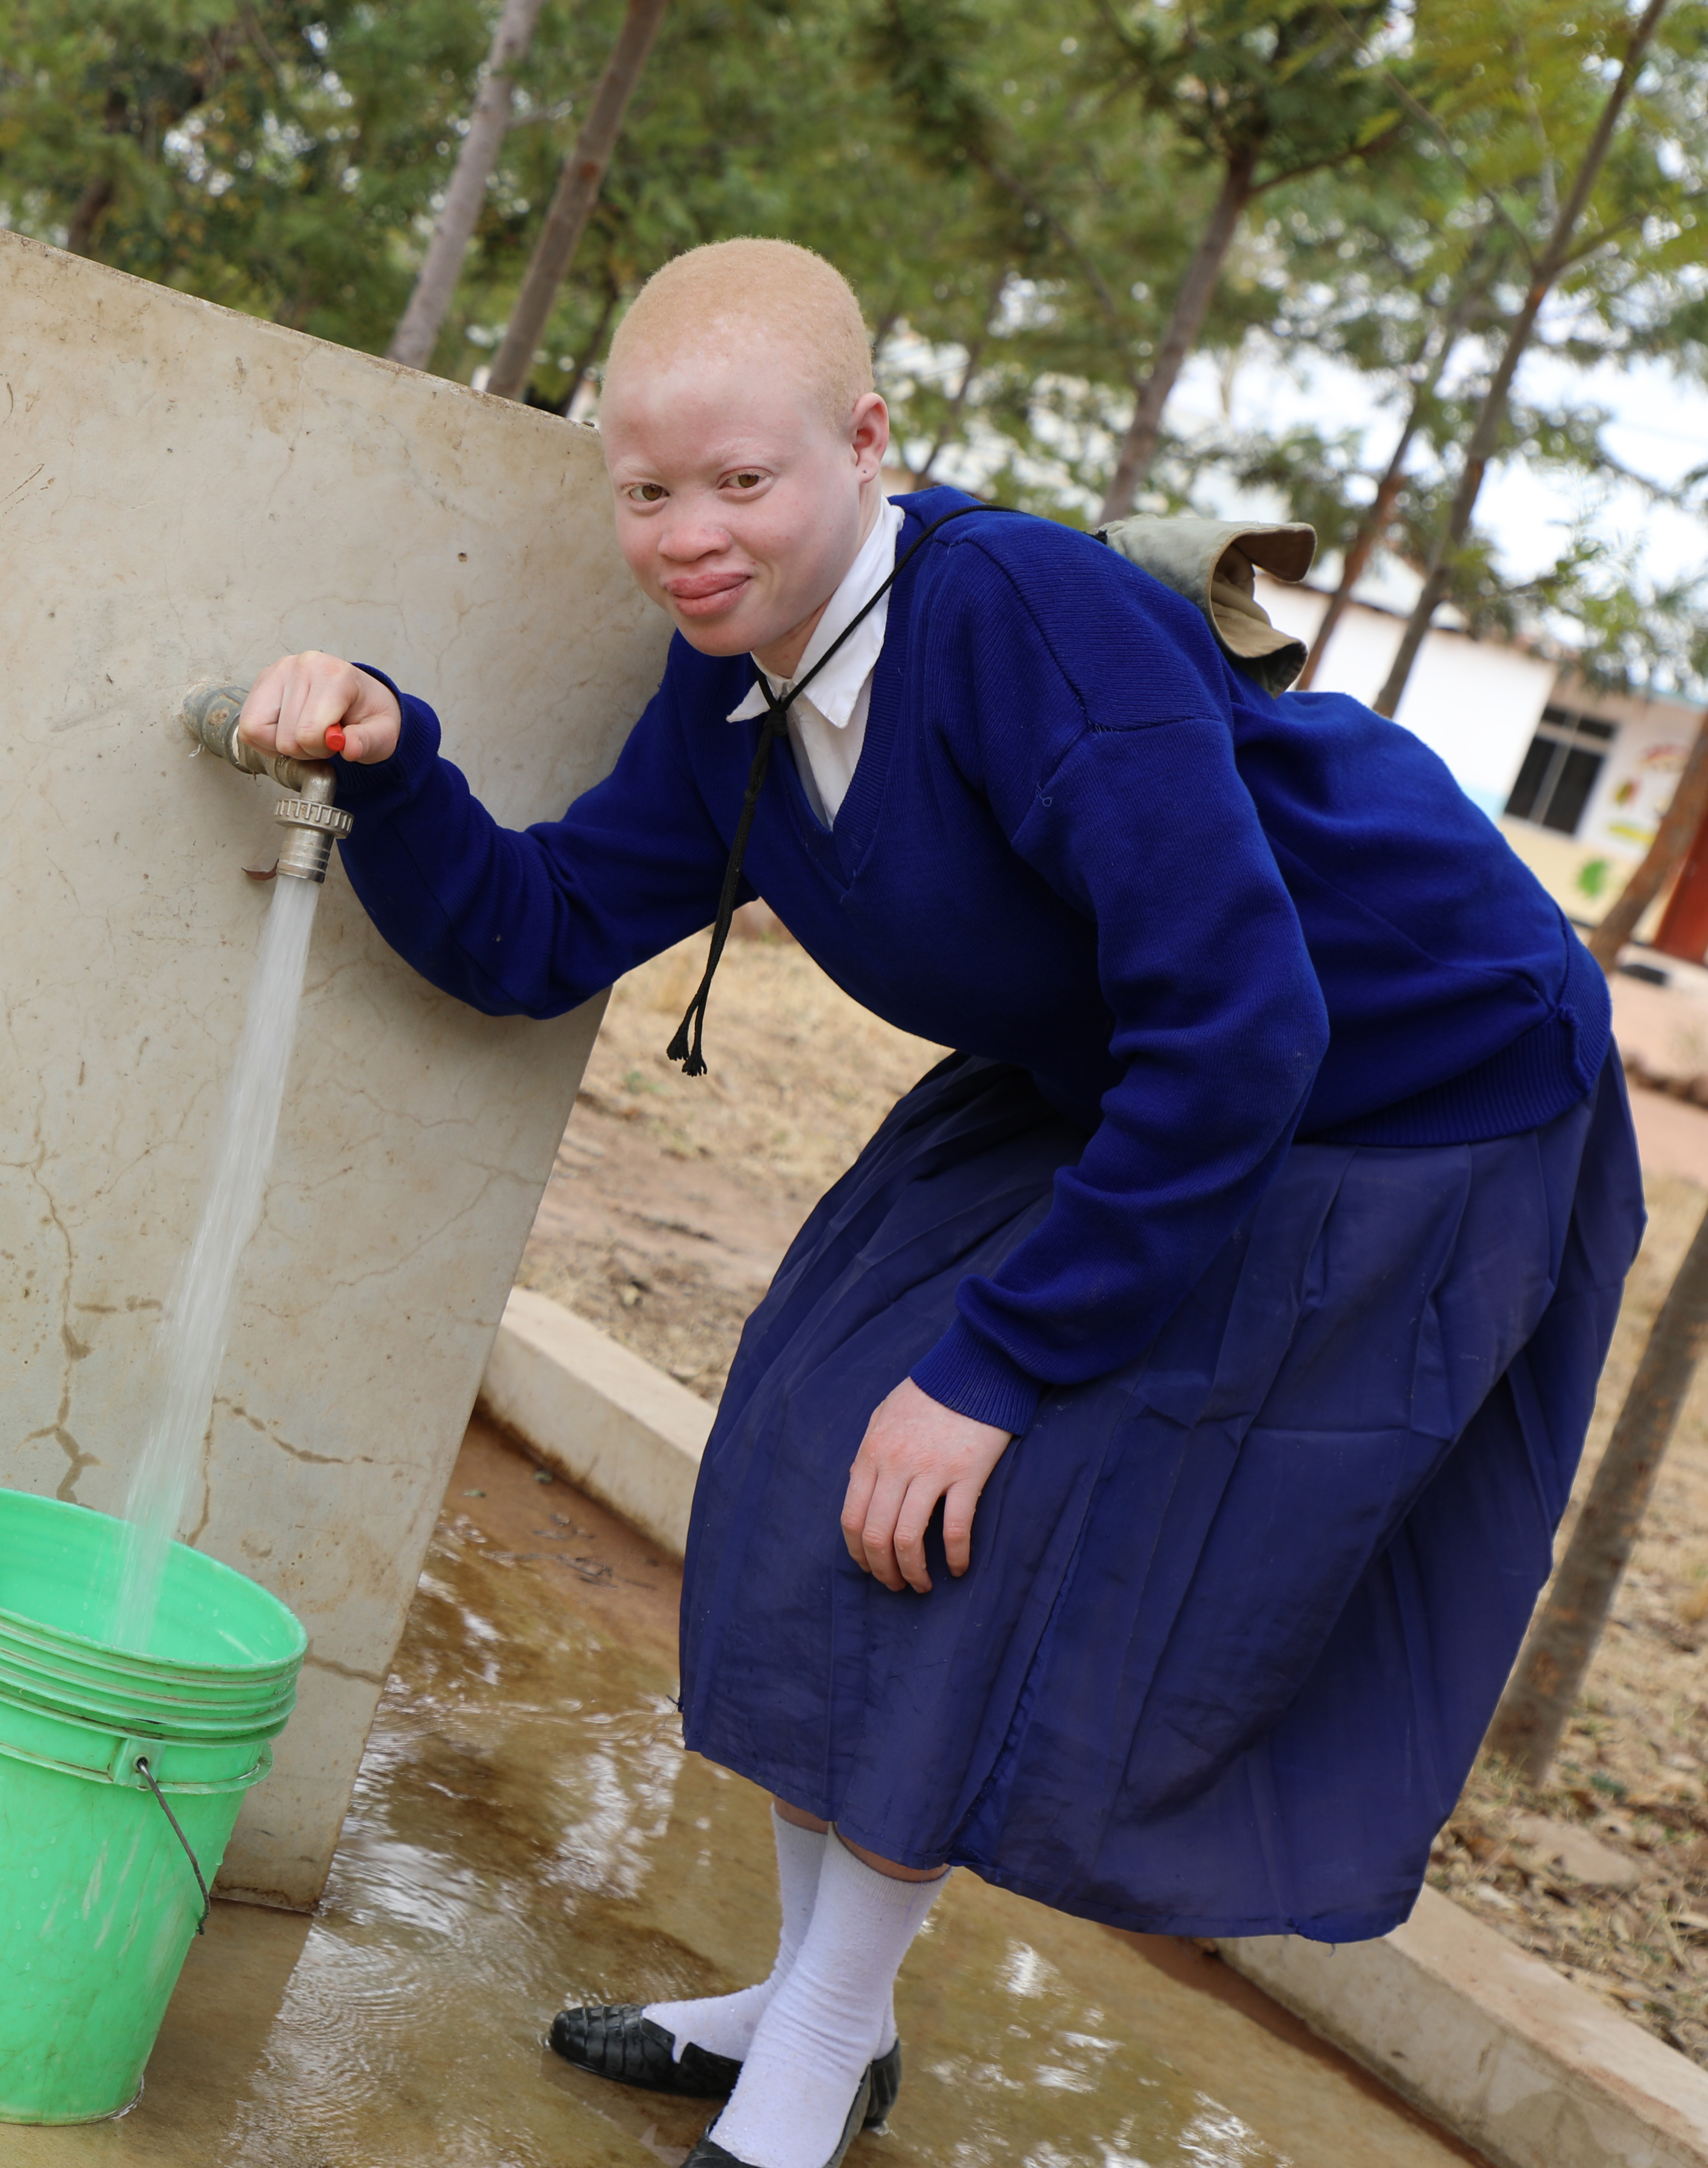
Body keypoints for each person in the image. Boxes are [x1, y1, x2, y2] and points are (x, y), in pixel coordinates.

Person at [239, 238, 1641, 2168]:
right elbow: (542, 929)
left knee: (980, 1498)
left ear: (868, 443)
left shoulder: (1019, 618)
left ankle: (809, 2063)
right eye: (651, 490)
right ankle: (816, 2008)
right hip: (1132, 1065)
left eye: (747, 481)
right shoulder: (739, 678)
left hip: (1399, 1075)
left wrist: (997, 1365)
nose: (691, 533)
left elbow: (1242, 1027)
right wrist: (391, 760)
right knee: (823, 1410)